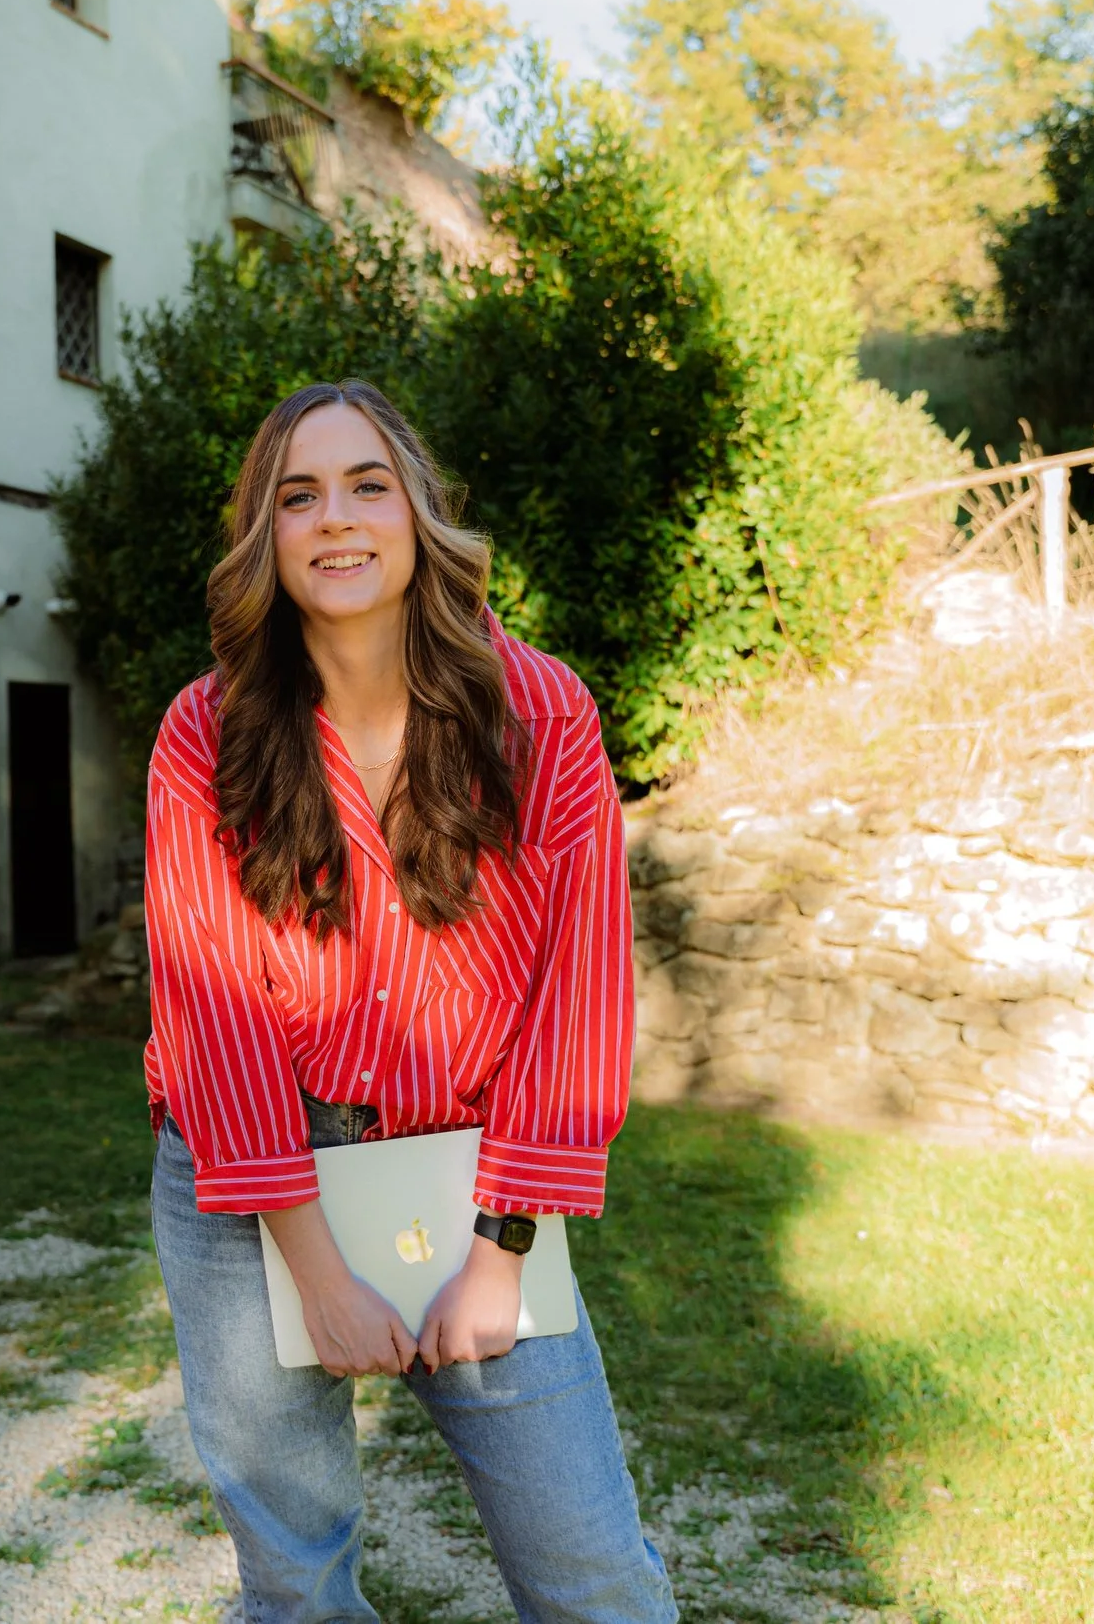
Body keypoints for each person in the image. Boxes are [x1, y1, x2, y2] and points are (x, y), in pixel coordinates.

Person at [141, 379, 676, 1623]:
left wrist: (498, 1253)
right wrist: (319, 1273)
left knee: (591, 1571)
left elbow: (575, 997)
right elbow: (212, 1011)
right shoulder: (204, 733)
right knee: (295, 1583)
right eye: (298, 495)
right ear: (264, 536)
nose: (335, 517)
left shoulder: (542, 712)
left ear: (418, 513)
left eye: (367, 484)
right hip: (250, 1180)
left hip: (470, 1174)